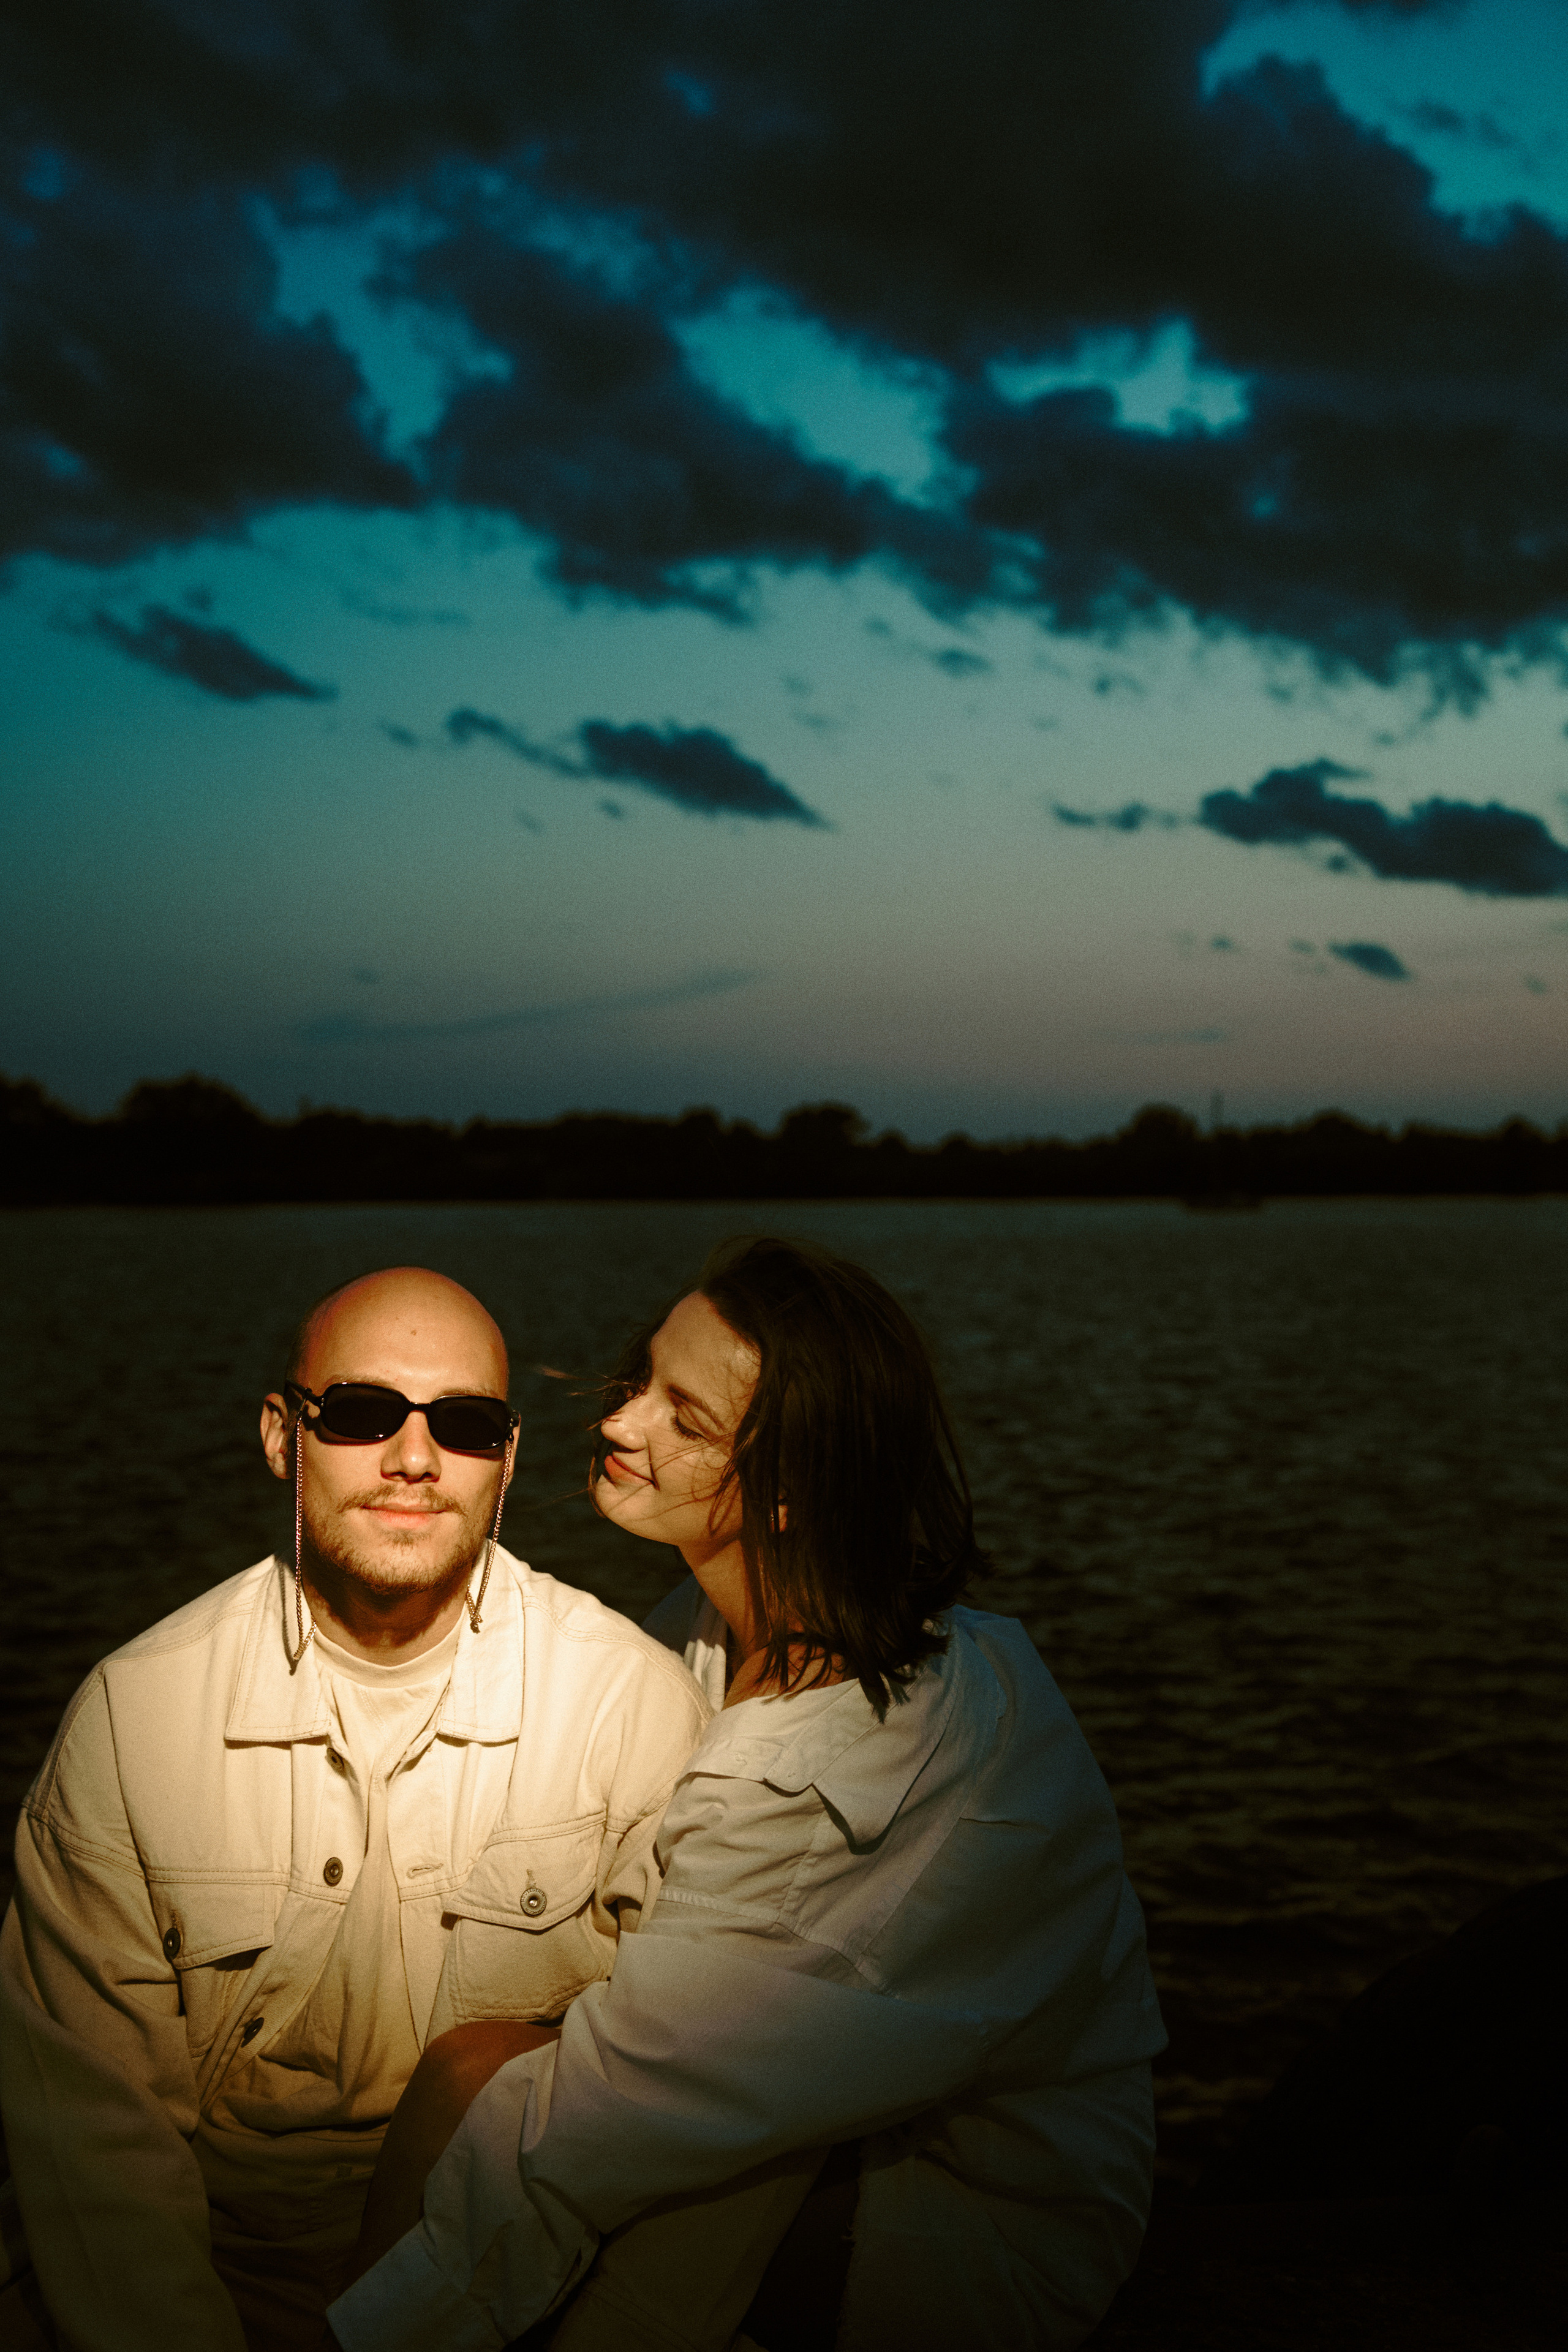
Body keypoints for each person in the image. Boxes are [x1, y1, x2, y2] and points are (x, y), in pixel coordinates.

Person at [329, 1238, 1166, 2352]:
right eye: (643, 1380)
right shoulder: (711, 1630)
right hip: (844, 2135)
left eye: (687, 1418)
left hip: (968, 2224)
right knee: (487, 2066)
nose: (623, 1423)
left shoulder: (876, 1763)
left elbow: (616, 2111)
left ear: (788, 1494)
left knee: (495, 2097)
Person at [0, 1267, 709, 2352]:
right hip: (219, 2278)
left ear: (507, 1460)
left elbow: (680, 2106)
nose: (416, 1461)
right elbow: (98, 2154)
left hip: (509, 2283)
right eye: (366, 1415)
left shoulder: (628, 1707)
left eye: (465, 1426)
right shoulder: (134, 1718)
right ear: (283, 1436)